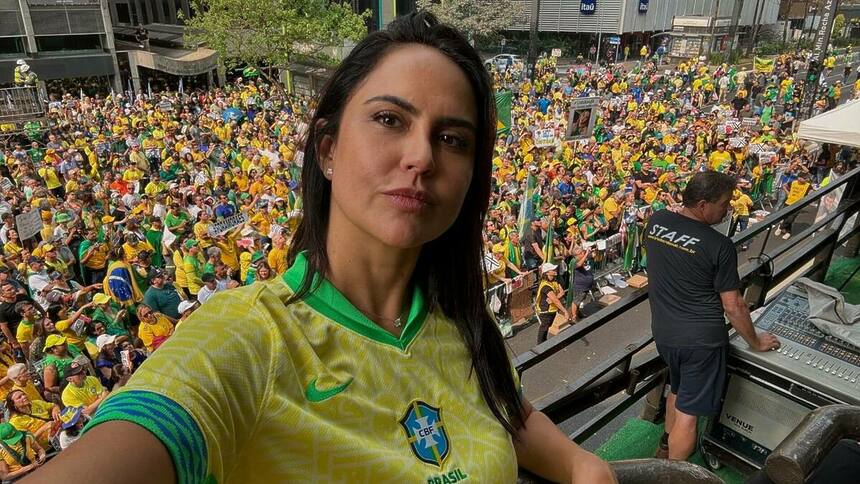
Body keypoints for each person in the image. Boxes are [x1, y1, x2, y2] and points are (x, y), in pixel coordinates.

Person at [31, 12, 616, 483]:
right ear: (328, 149)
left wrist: (581, 465)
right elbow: (145, 435)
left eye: (452, 138)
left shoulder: (464, 323)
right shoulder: (245, 341)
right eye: (390, 119)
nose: (422, 157)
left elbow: (507, 414)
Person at [643, 171, 780, 461]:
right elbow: (734, 306)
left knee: (678, 392)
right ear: (703, 204)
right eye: (724, 203)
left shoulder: (656, 222)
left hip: (666, 334)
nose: (728, 209)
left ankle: (664, 449)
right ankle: (670, 476)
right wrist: (756, 341)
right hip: (701, 343)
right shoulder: (720, 246)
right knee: (688, 418)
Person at [535, 262, 570, 344]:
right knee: (544, 327)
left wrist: (555, 297)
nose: (555, 270)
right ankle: (540, 345)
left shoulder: (554, 280)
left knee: (547, 326)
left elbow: (562, 292)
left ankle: (543, 342)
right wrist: (565, 311)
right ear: (547, 273)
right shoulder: (545, 286)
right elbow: (556, 301)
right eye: (552, 269)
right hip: (545, 310)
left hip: (552, 309)